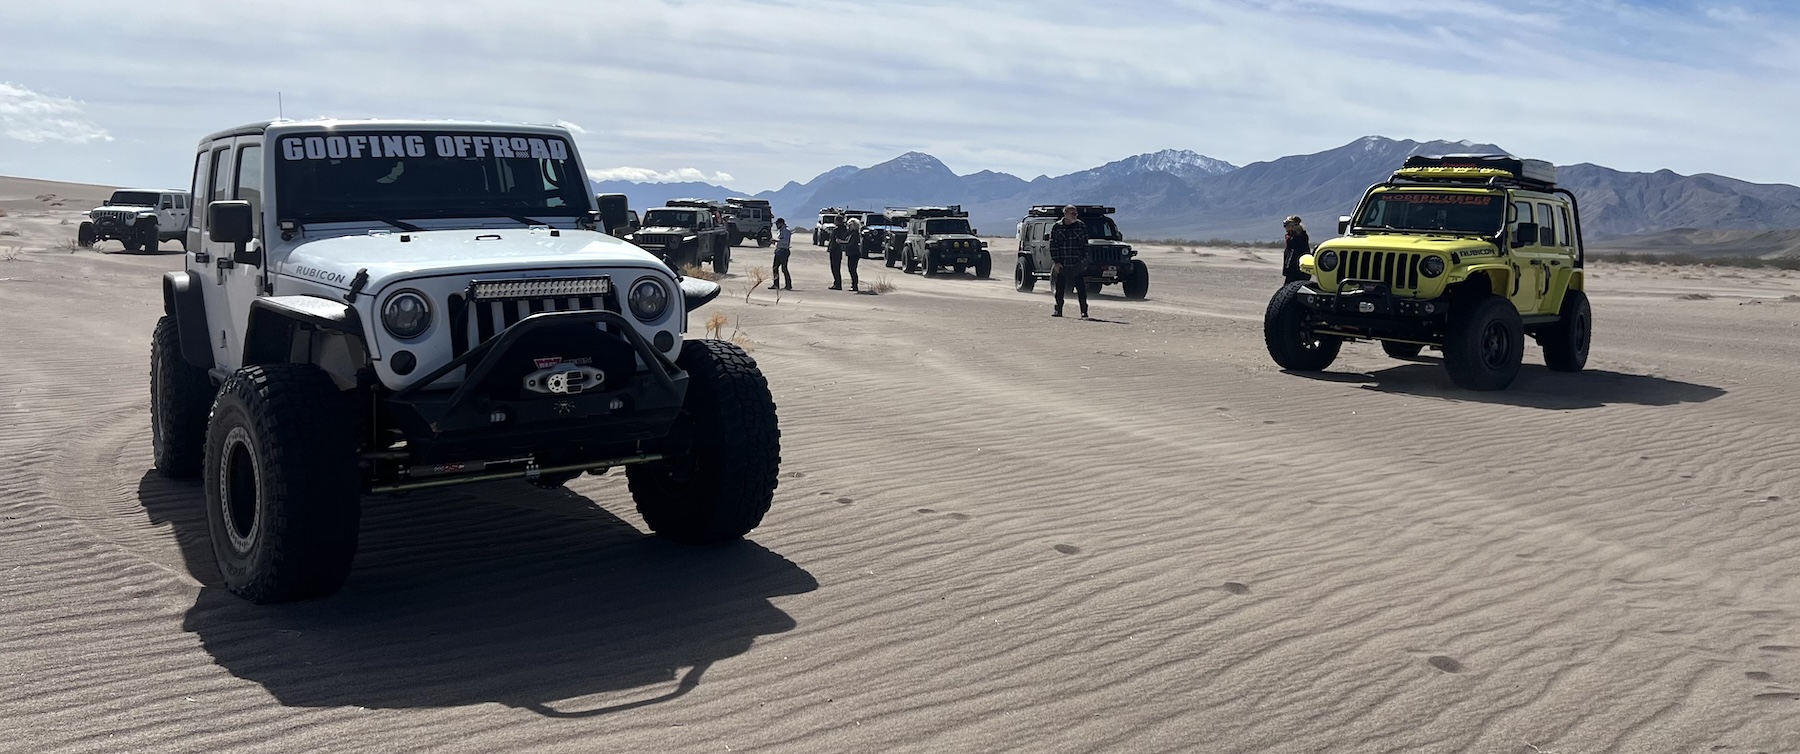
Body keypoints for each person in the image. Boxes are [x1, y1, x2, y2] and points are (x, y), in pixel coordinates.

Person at [1049, 204, 1089, 318]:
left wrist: (1082, 260)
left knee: (1081, 289)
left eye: (1076, 213)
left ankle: (1084, 311)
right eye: (1072, 213)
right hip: (1062, 263)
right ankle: (1058, 310)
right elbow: (1053, 245)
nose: (1074, 215)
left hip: (1076, 263)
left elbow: (1085, 245)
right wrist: (1056, 261)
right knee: (1059, 288)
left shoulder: (1081, 226)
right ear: (1065, 214)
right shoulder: (1057, 227)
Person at [828, 215, 859, 291]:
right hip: (849, 252)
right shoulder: (849, 232)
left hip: (850, 252)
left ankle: (850, 285)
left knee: (850, 269)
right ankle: (842, 284)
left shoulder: (853, 233)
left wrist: (840, 242)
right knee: (850, 269)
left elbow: (848, 242)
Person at [1281, 215, 1311, 284]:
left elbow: (1294, 252)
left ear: (1292, 226)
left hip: (1298, 270)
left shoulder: (1299, 237)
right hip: (1294, 270)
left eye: (1286, 225)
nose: (1285, 228)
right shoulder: (1291, 236)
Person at [769, 217, 793, 290]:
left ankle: (788, 285)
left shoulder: (786, 230)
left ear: (781, 223)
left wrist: (776, 240)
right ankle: (776, 284)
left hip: (783, 251)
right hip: (779, 250)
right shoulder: (781, 230)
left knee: (784, 268)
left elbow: (785, 241)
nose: (776, 225)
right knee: (775, 267)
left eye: (777, 224)